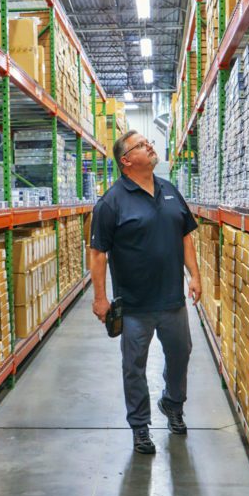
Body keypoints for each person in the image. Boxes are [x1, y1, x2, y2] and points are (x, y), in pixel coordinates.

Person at [89, 129, 202, 454]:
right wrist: (100, 298)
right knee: (134, 367)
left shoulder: (169, 191)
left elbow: (186, 236)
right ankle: (140, 426)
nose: (149, 146)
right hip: (134, 305)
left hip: (172, 300)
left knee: (180, 355)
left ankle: (173, 403)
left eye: (147, 142)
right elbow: (97, 253)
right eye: (140, 145)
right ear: (126, 161)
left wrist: (195, 275)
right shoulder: (111, 202)